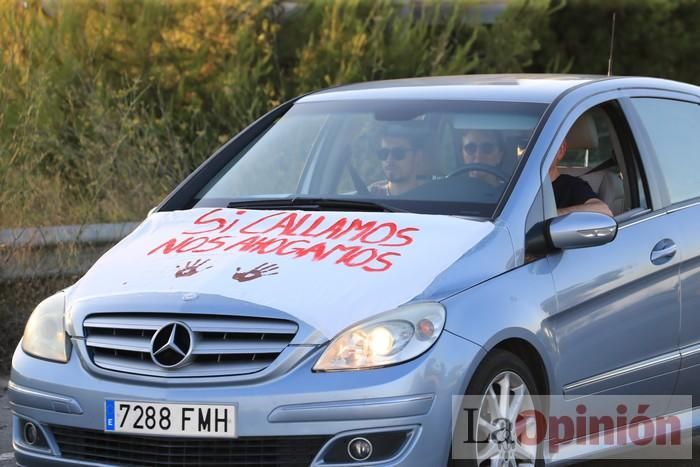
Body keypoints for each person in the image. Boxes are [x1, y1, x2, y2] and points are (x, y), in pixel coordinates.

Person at [550, 139, 613, 216]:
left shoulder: (572, 185)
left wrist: (551, 216)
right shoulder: (531, 186)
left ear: (560, 150)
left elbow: (604, 210)